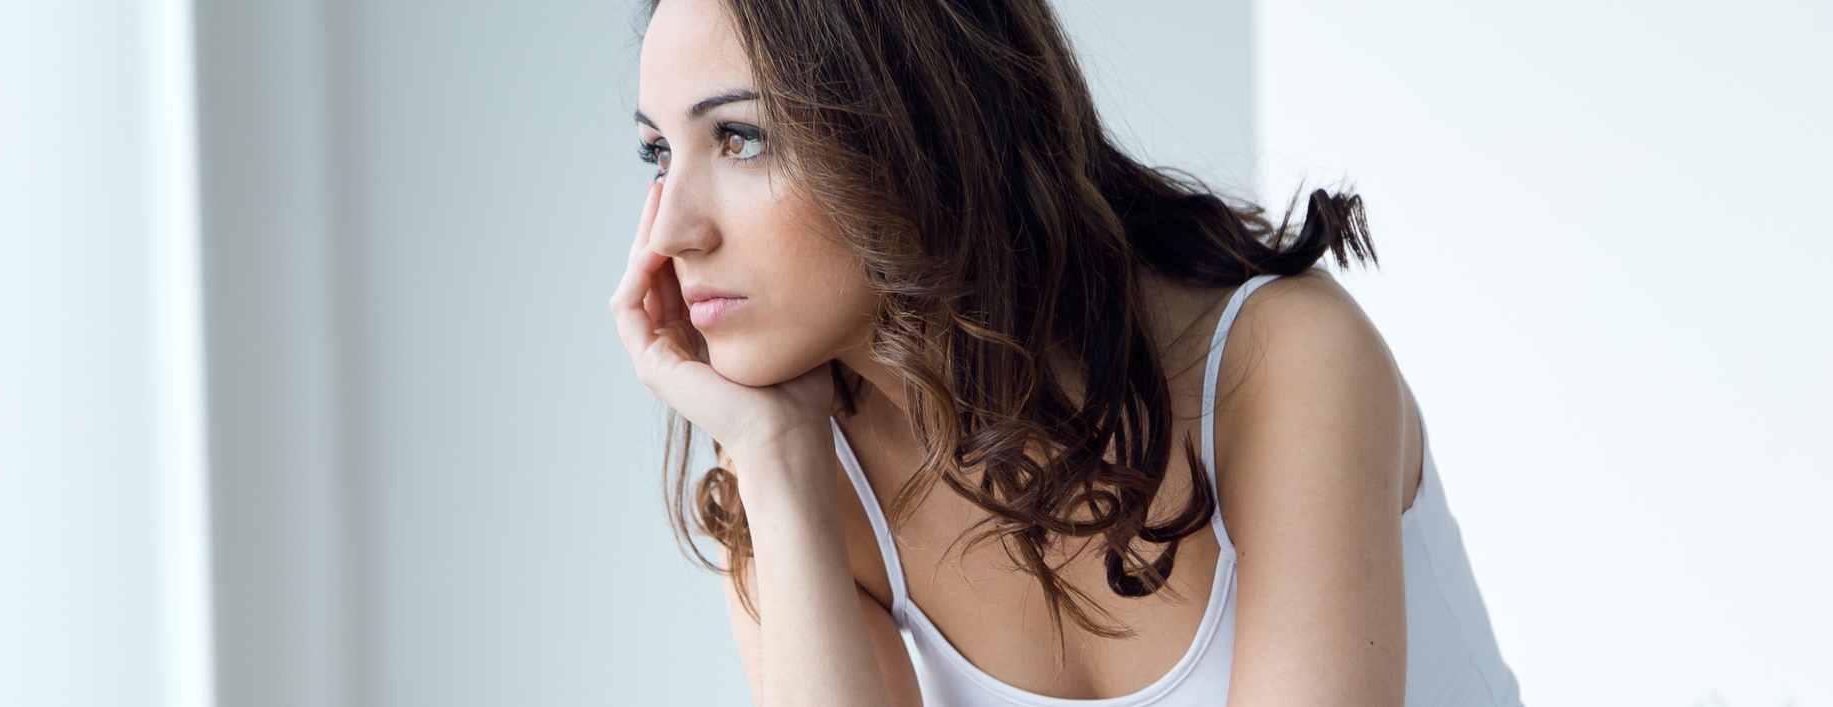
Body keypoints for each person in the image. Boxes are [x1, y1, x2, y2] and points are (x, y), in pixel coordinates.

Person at [611, 0, 1522, 704]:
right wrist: (773, 454)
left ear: (919, 127)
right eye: (658, 154)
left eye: (738, 137)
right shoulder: (795, 469)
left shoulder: (1277, 362)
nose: (672, 229)